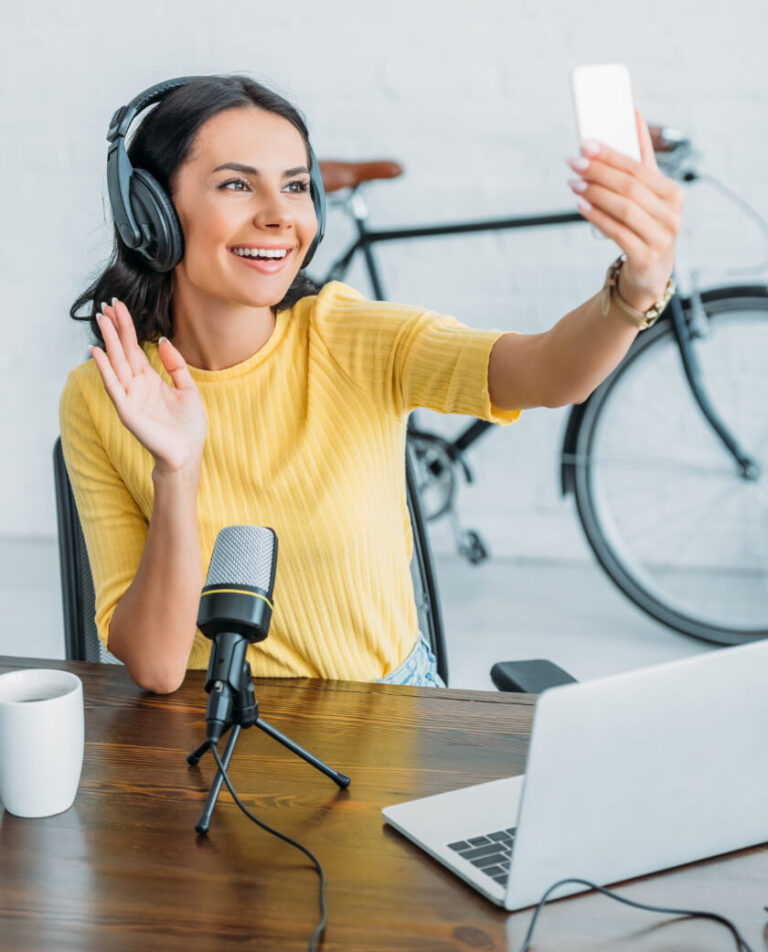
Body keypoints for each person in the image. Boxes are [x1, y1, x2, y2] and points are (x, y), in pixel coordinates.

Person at [59, 75, 682, 694]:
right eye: (237, 184)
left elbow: (548, 372)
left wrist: (638, 287)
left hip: (388, 713)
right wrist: (176, 471)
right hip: (215, 728)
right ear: (153, 214)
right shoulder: (104, 397)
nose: (279, 216)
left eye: (297, 187)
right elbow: (159, 669)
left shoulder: (352, 337)